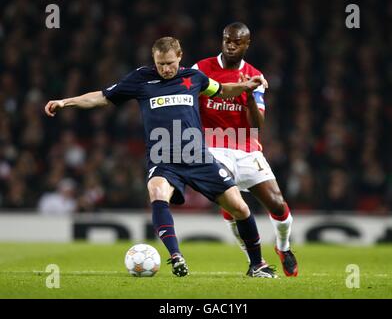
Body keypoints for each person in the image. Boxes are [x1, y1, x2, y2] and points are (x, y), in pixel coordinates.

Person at [44, 36, 278, 278]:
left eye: (169, 63)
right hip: (163, 158)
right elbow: (102, 97)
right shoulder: (141, 79)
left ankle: (257, 264)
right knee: (157, 192)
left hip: (198, 156)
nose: (165, 69)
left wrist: (247, 86)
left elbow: (222, 90)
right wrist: (65, 102)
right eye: (160, 64)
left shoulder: (194, 78)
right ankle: (176, 256)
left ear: (179, 57)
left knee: (240, 208)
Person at [192, 22, 298, 277]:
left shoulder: (255, 76)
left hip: (247, 148)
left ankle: (283, 247)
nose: (230, 44)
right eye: (227, 39)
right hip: (213, 145)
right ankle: (253, 260)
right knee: (233, 205)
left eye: (237, 41)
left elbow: (257, 124)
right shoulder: (201, 69)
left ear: (246, 44)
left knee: (278, 205)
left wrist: (249, 94)